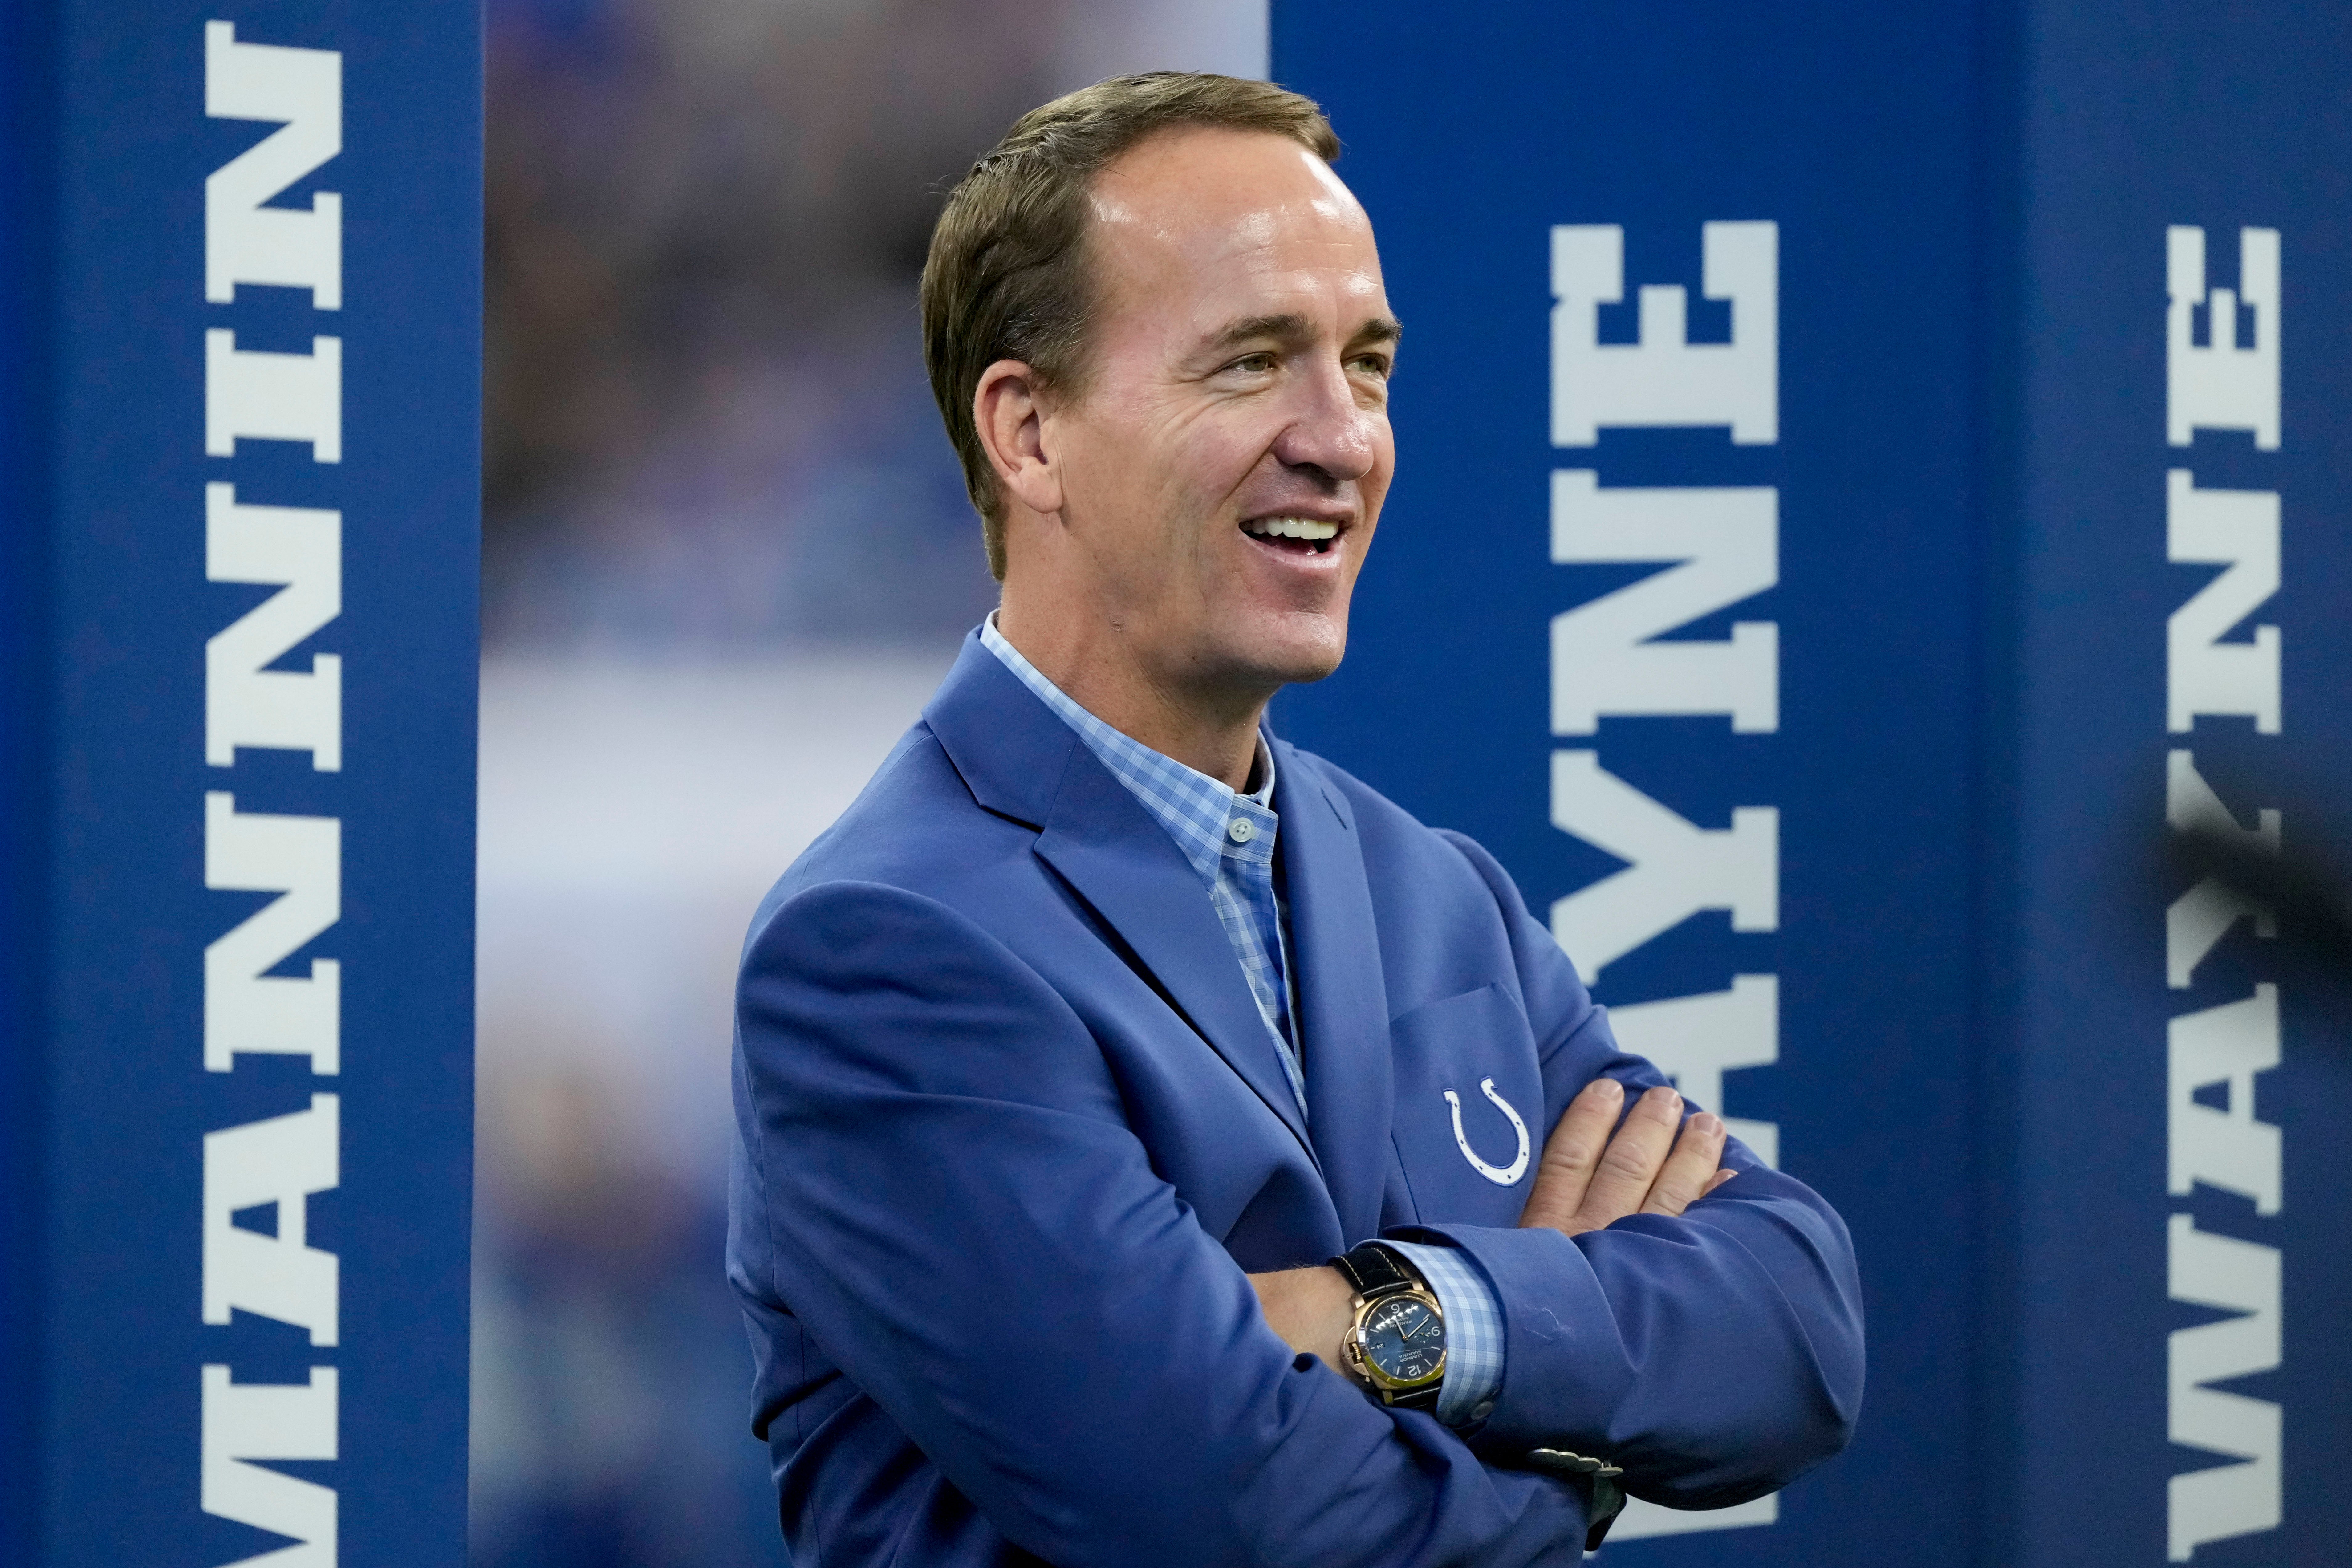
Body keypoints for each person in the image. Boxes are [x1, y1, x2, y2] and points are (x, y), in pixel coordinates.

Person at [728, 72, 1863, 1567]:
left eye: (1368, 363)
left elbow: (1795, 1323)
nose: (1342, 438)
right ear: (1029, 432)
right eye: (1253, 362)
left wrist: (1391, 1316)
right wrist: (1570, 1454)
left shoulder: (1434, 893)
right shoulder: (884, 948)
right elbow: (1229, 1507)